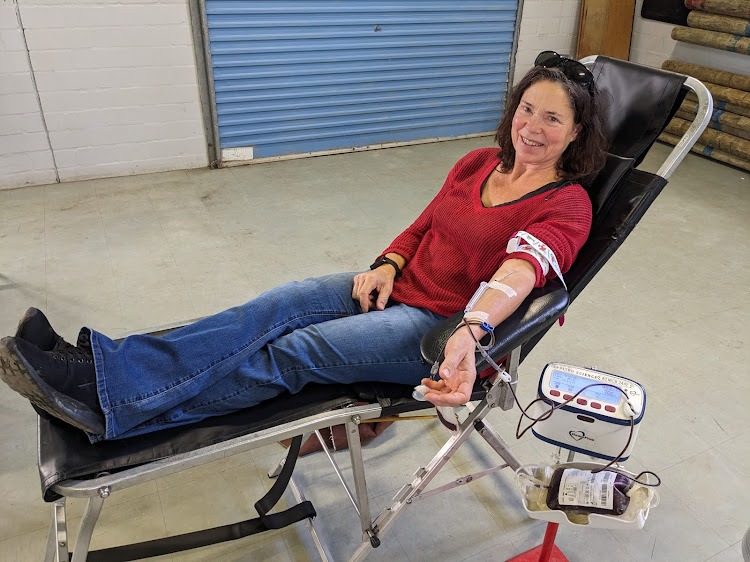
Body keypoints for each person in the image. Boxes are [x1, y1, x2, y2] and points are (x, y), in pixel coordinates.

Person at [0, 52, 608, 443]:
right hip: (399, 287)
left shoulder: (565, 202)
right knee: (269, 308)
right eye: (527, 108)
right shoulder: (479, 161)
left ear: (577, 132)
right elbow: (425, 225)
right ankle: (102, 367)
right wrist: (388, 263)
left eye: (552, 119)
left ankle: (113, 410)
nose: (532, 126)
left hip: (434, 325)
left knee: (293, 351)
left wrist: (469, 331)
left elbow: (520, 273)